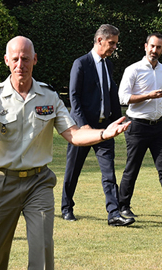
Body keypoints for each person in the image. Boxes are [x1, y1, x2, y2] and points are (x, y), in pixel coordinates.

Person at [0, 36, 130, 270]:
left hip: (38, 183)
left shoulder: (49, 96)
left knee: (42, 249)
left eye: (25, 58)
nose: (20, 64)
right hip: (0, 182)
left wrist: (104, 133)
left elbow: (73, 134)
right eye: (15, 59)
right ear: (6, 61)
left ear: (35, 60)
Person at [61, 24, 134, 226]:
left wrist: (118, 122)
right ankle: (66, 208)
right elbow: (73, 98)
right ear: (99, 40)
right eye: (112, 43)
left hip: (105, 129)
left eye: (116, 44)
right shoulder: (81, 64)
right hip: (82, 130)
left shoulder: (108, 65)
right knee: (73, 170)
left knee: (109, 173)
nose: (114, 48)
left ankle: (114, 213)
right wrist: (83, 125)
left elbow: (112, 94)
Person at [118, 33, 162, 221]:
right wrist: (148, 96)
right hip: (137, 126)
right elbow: (123, 98)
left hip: (159, 126)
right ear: (145, 46)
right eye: (152, 46)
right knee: (132, 168)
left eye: (158, 47)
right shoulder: (133, 70)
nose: (154, 50)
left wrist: (160, 111)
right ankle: (122, 207)